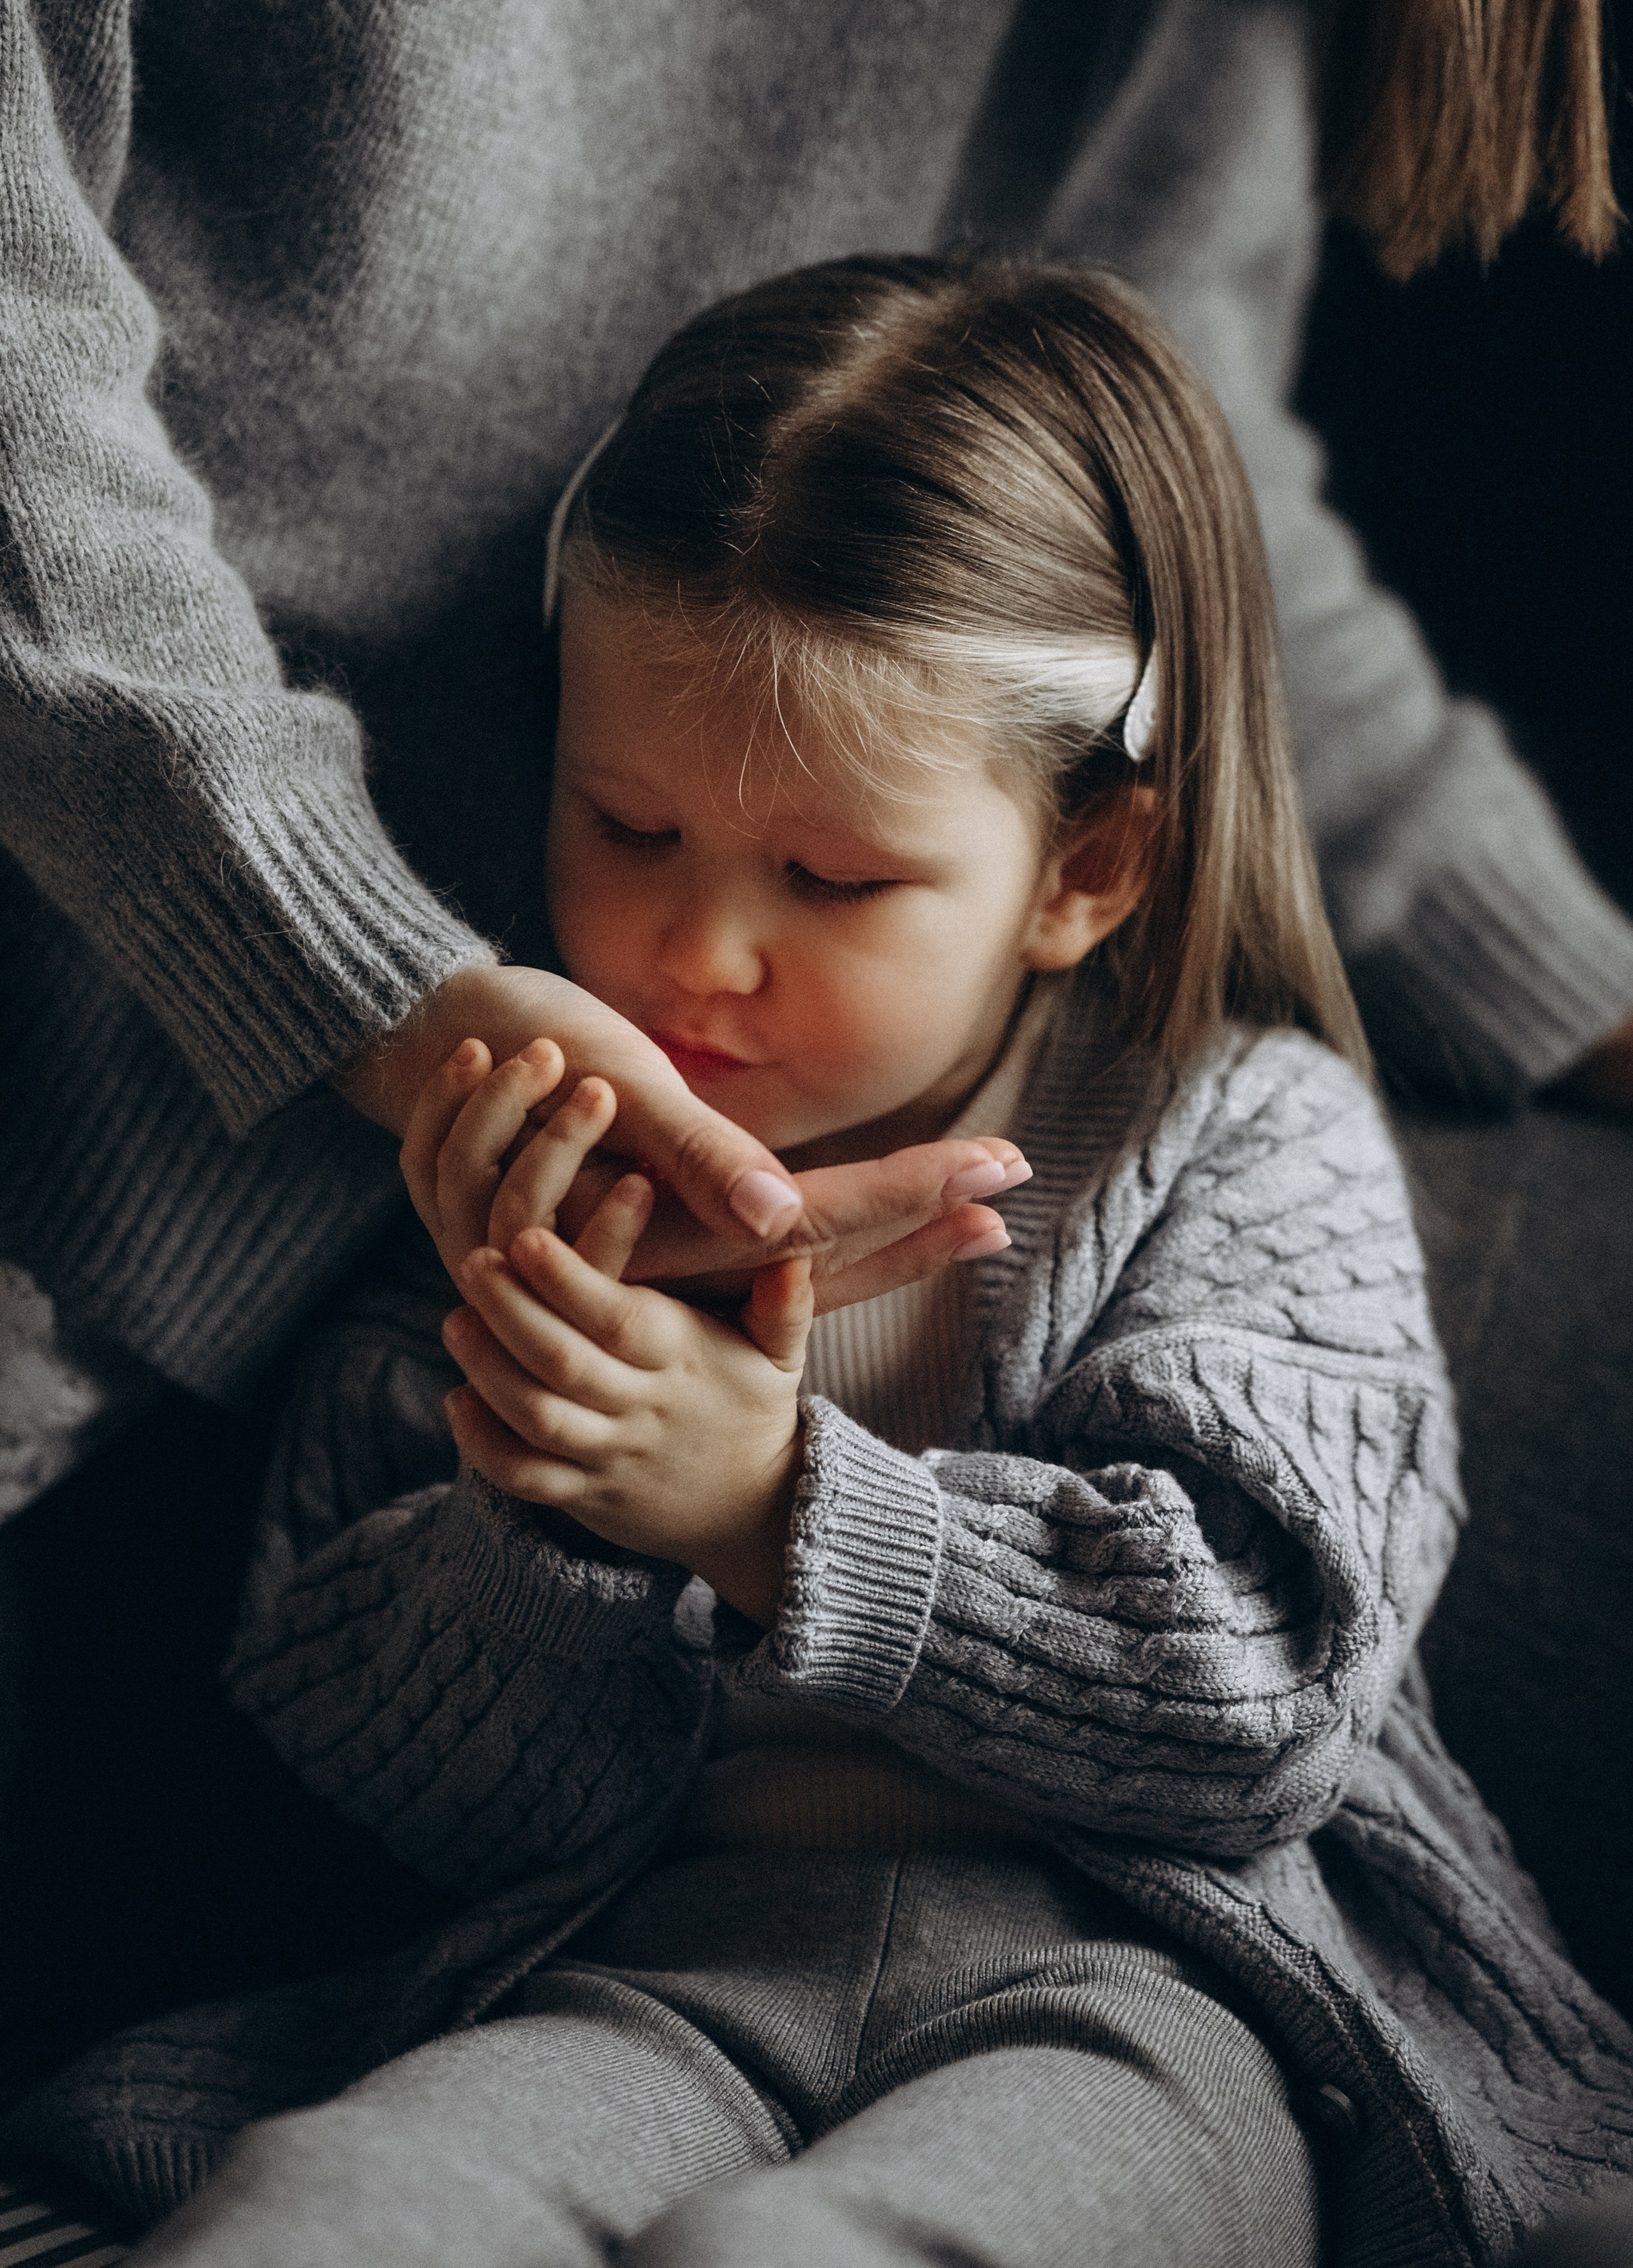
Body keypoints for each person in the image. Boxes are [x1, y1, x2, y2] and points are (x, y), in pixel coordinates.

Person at [15, 260, 1628, 2266]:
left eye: (835, 878)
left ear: (1087, 867)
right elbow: (402, 1782)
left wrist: (782, 1508)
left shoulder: (1245, 1134)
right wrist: (558, 1502)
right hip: (657, 1974)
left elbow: (1260, 1686)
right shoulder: (539, 1156)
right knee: (323, 2203)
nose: (696, 955)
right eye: (625, 823)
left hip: (1162, 1998)